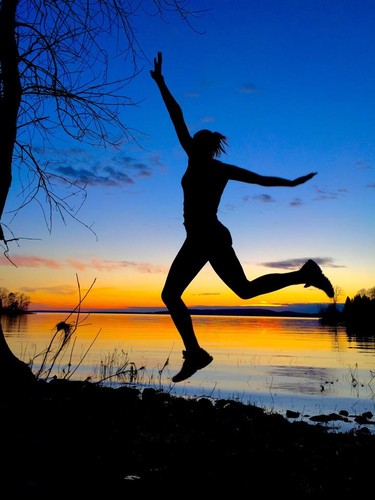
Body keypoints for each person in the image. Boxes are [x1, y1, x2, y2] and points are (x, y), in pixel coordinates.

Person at [150, 52, 334, 383]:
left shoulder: (203, 162)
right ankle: (304, 273)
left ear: (201, 146)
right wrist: (162, 83)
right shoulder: (211, 165)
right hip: (211, 236)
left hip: (206, 236)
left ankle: (196, 353)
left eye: (194, 140)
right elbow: (178, 119)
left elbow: (259, 178)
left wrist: (289, 182)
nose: (189, 140)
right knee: (245, 291)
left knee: (170, 295)